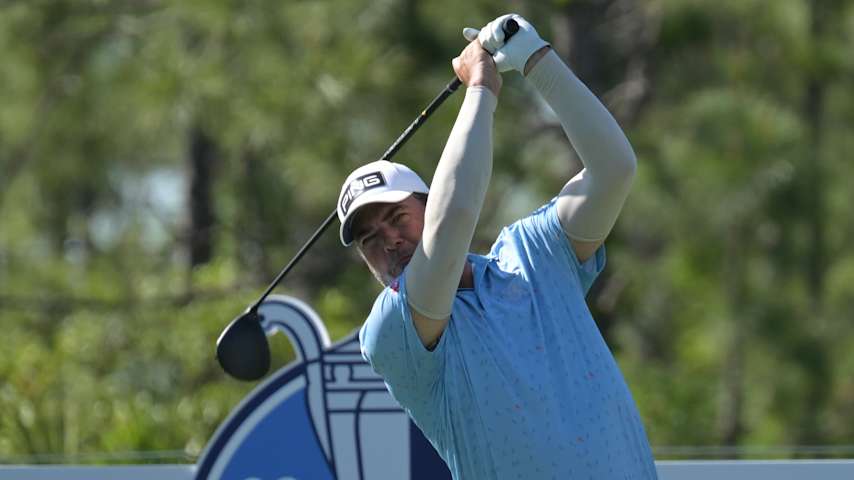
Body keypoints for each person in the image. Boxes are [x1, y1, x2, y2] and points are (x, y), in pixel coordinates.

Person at [336, 13, 658, 479]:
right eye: (369, 240)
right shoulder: (391, 332)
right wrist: (481, 88)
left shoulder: (534, 254)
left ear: (428, 204)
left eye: (397, 218)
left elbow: (614, 169)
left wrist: (535, 59)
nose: (390, 241)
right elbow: (451, 224)